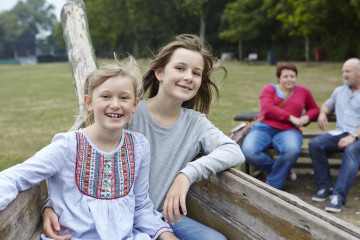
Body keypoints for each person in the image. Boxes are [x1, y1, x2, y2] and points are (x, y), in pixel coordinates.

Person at [43, 34, 245, 240]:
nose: (188, 77)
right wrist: (51, 205)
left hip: (162, 216)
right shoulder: (125, 112)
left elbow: (233, 151)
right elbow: (74, 156)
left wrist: (187, 174)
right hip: (115, 217)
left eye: (196, 73)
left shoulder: (196, 123)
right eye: (180, 68)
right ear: (159, 73)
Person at [0, 57, 178, 240]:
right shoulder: (68, 146)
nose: (115, 104)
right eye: (106, 96)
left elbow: (140, 207)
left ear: (134, 105)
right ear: (89, 102)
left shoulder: (139, 147)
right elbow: (17, 176)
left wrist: (166, 235)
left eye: (124, 97)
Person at [241, 63, 319, 189]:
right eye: (285, 76)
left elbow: (314, 109)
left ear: (296, 77)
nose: (289, 79)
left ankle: (272, 186)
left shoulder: (303, 92)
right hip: (263, 128)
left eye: (292, 76)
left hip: (289, 131)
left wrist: (306, 117)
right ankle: (283, 171)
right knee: (248, 151)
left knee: (292, 150)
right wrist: (290, 117)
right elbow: (267, 108)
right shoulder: (269, 89)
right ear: (279, 78)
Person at [309, 58, 360, 213]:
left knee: (351, 150)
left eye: (348, 71)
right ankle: (325, 187)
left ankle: (338, 196)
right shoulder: (339, 90)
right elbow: (326, 104)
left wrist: (353, 137)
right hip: (340, 133)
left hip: (357, 136)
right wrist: (322, 114)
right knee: (314, 144)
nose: (344, 74)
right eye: (343, 71)